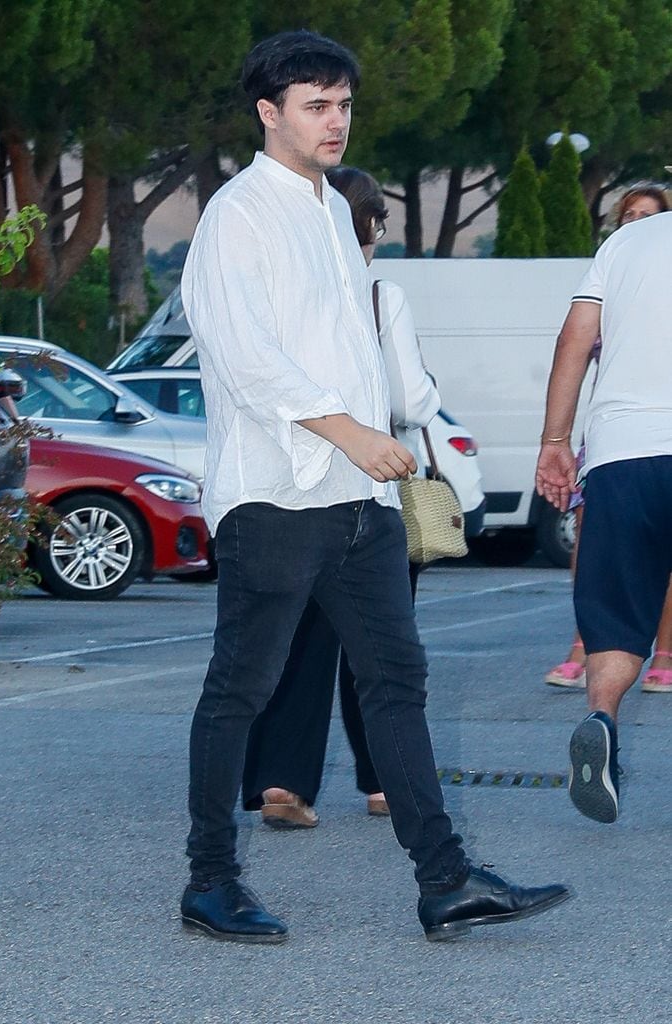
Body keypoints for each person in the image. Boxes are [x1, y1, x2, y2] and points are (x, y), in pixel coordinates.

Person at [180, 28, 570, 945]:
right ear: (268, 113)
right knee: (241, 688)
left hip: (357, 505)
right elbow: (242, 356)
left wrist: (384, 433)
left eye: (344, 104)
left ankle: (445, 881)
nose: (336, 121)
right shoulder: (239, 213)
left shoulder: (327, 212)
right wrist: (349, 430)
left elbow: (350, 350)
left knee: (398, 680)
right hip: (276, 495)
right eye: (316, 105)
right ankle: (208, 881)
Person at [242, 166, 437, 827]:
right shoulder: (382, 295)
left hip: (287, 490)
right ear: (370, 225)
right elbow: (410, 399)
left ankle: (280, 782)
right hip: (368, 486)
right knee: (380, 644)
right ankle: (383, 782)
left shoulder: (284, 290)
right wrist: (431, 390)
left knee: (296, 641)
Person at [536, 207, 672, 824]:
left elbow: (575, 339)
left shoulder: (626, 242)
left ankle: (602, 721)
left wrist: (555, 441)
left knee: (616, 612)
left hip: (624, 455)